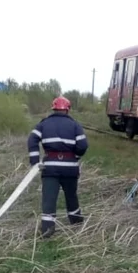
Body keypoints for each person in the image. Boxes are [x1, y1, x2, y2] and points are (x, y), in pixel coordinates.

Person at [27, 96, 89, 238]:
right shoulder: (75, 125)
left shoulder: (43, 124)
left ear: (53, 108)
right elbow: (83, 145)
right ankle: (76, 223)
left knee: (49, 198)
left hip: (50, 167)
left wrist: (35, 161)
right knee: (71, 196)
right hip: (70, 167)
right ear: (68, 109)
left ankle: (47, 231)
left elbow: (32, 139)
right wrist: (76, 156)